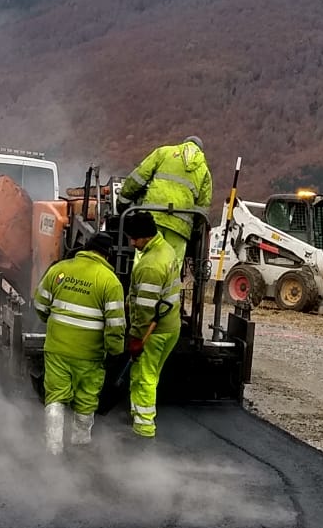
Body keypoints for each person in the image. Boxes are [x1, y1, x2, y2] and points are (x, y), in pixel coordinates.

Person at [32, 229, 126, 455]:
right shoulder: (110, 282)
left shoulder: (60, 270)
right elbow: (116, 326)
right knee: (85, 399)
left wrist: (51, 322)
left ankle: (53, 449)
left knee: (56, 395)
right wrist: (115, 351)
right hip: (90, 355)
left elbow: (40, 305)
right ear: (107, 255)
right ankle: (80, 447)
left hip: (57, 349)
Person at [121, 206, 181, 439]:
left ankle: (144, 427)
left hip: (154, 332)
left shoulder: (150, 266)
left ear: (145, 236)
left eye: (134, 239)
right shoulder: (166, 249)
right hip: (170, 326)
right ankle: (137, 413)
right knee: (149, 373)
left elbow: (146, 309)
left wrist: (136, 338)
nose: (132, 243)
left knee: (145, 376)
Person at [117, 135, 212, 267]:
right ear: (200, 151)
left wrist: (122, 201)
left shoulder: (164, 153)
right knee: (172, 267)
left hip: (151, 219)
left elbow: (138, 178)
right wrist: (191, 226)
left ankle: (140, 287)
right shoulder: (204, 171)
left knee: (144, 262)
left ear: (183, 144)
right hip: (179, 227)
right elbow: (203, 207)